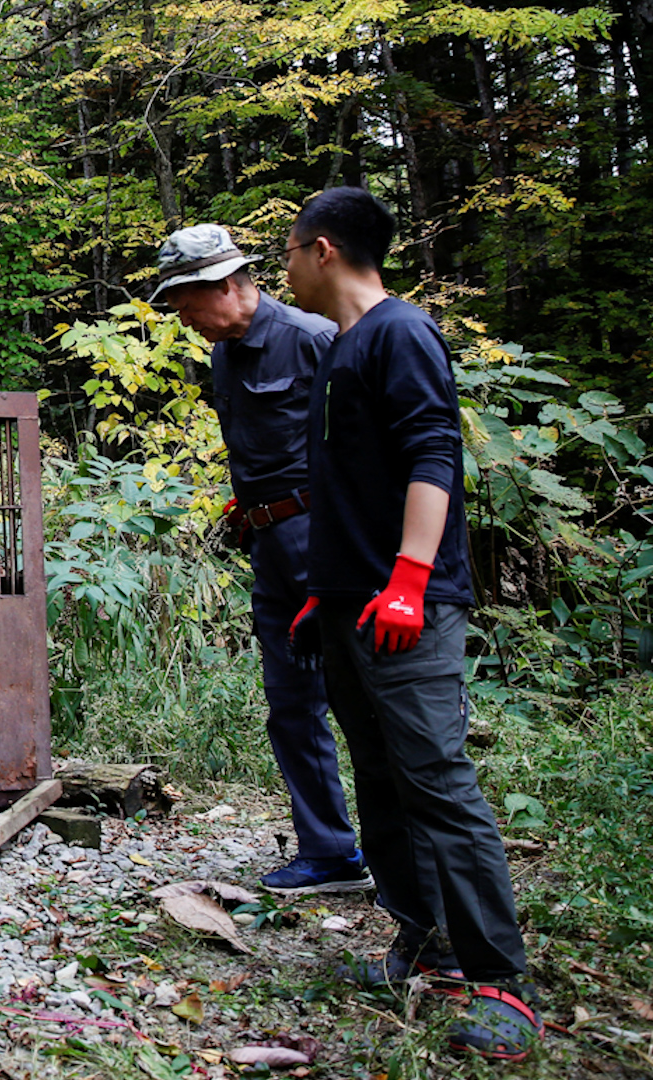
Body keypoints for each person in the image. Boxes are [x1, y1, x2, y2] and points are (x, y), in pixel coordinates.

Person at [283, 187, 538, 1061]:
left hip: (407, 611)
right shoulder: (342, 348)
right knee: (382, 777)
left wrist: (408, 581)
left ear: (323, 250)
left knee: (437, 781)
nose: (284, 270)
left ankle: (502, 982)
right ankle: (422, 946)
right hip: (352, 608)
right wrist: (331, 587)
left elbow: (435, 454)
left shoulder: (401, 332)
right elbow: (356, 488)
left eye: (286, 252)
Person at [150, 224, 369, 896]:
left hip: (322, 542)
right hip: (269, 546)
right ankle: (330, 853)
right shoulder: (225, 355)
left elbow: (358, 458)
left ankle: (410, 860)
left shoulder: (312, 338)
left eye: (189, 306)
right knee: (290, 703)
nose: (187, 321)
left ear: (226, 286)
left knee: (360, 699)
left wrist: (334, 554)